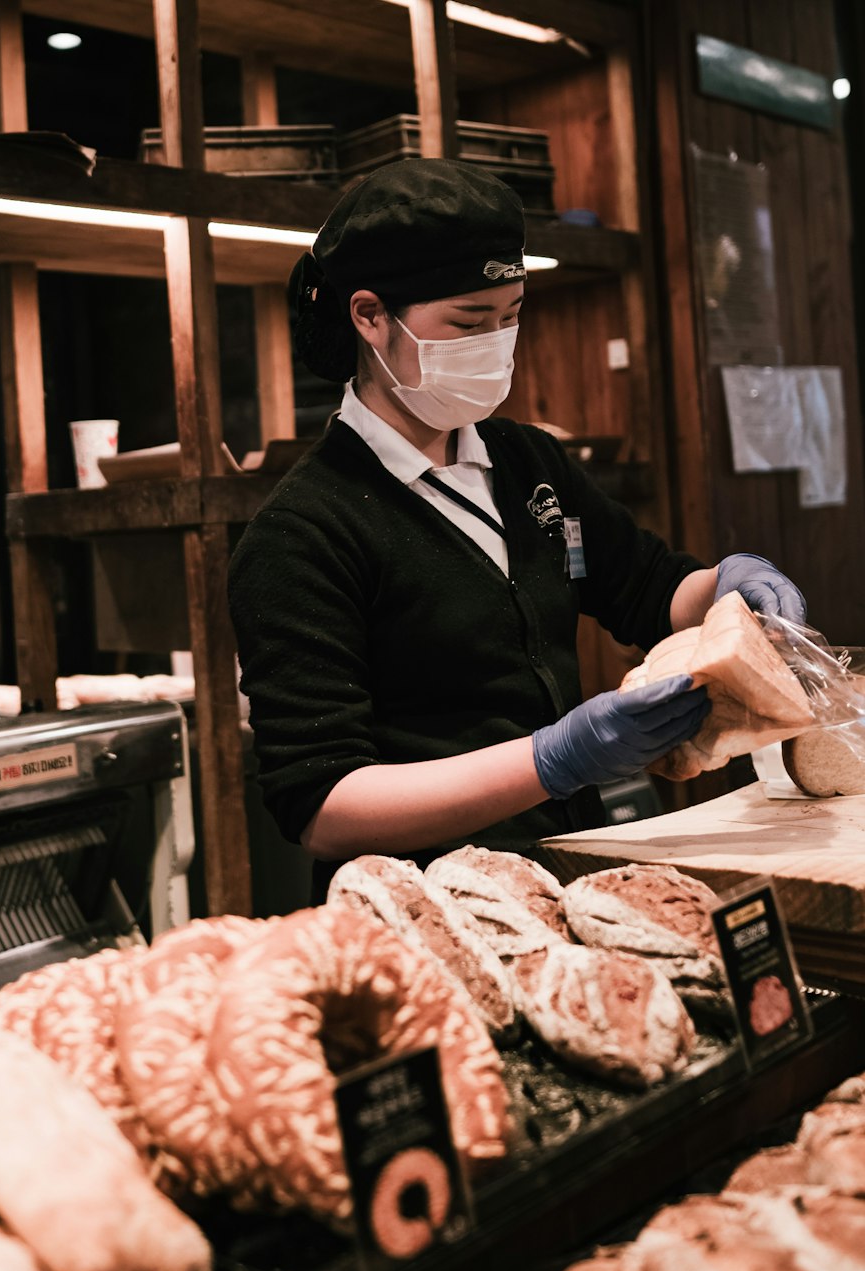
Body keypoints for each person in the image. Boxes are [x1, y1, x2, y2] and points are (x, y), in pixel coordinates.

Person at [229, 159, 806, 900]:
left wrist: (730, 586)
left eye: (510, 316)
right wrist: (553, 757)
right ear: (370, 315)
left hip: (567, 876)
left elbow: (651, 588)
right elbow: (323, 807)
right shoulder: (301, 534)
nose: (497, 342)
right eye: (469, 322)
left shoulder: (527, 461)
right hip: (422, 911)